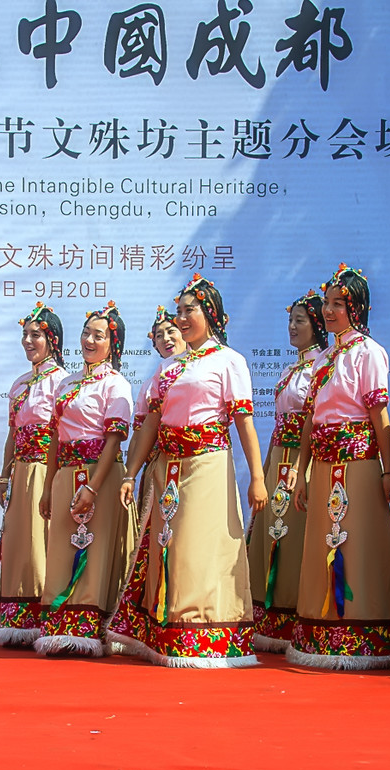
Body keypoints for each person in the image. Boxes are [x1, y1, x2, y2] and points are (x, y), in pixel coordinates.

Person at [110, 273, 267, 667]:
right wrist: (130, 473)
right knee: (170, 546)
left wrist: (259, 477)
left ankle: (205, 633)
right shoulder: (171, 367)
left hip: (207, 465)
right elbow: (151, 424)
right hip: (168, 468)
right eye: (178, 311)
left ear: (210, 312)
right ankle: (167, 633)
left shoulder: (229, 361)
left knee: (201, 547)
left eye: (189, 310)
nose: (181, 318)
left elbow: (244, 421)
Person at [284, 266, 390, 669]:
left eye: (340, 303)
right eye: (328, 303)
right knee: (323, 546)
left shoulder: (368, 352)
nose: (331, 311)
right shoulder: (322, 360)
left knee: (359, 545)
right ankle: (321, 632)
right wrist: (300, 473)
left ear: (358, 308)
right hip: (323, 466)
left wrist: (388, 471)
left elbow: (379, 416)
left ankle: (369, 633)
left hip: (359, 463)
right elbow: (309, 422)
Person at [36, 302, 135, 655]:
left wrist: (92, 487)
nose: (90, 340)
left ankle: (90, 633)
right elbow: (55, 438)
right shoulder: (67, 382)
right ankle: (60, 628)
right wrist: (48, 487)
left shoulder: (116, 385)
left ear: (113, 343)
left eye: (99, 335)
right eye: (86, 333)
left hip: (100, 477)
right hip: (65, 475)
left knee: (94, 550)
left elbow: (113, 441)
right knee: (62, 552)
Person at [246, 290, 327, 653]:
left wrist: (299, 465)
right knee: (272, 534)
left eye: (301, 320)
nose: (293, 327)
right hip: (278, 456)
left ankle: (298, 616)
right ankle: (271, 621)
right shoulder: (291, 367)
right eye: (290, 320)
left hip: (300, 459)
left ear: (317, 325)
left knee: (295, 535)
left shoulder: (321, 366)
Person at [108, 307, 186, 648]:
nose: (166, 338)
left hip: (188, 467)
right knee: (149, 541)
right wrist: (132, 472)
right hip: (154, 468)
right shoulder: (156, 379)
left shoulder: (199, 370)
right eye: (159, 335)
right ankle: (142, 620)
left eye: (171, 331)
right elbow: (142, 431)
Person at [0, 303, 68, 646]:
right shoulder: (20, 384)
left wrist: (53, 480)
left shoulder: (62, 382)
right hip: (21, 472)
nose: (27, 340)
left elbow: (64, 434)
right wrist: (5, 477)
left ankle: (47, 618)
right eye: (24, 334)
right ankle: (18, 623)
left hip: (46, 470)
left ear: (52, 339)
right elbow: (12, 433)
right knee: (19, 542)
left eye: (35, 334)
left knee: (43, 542)